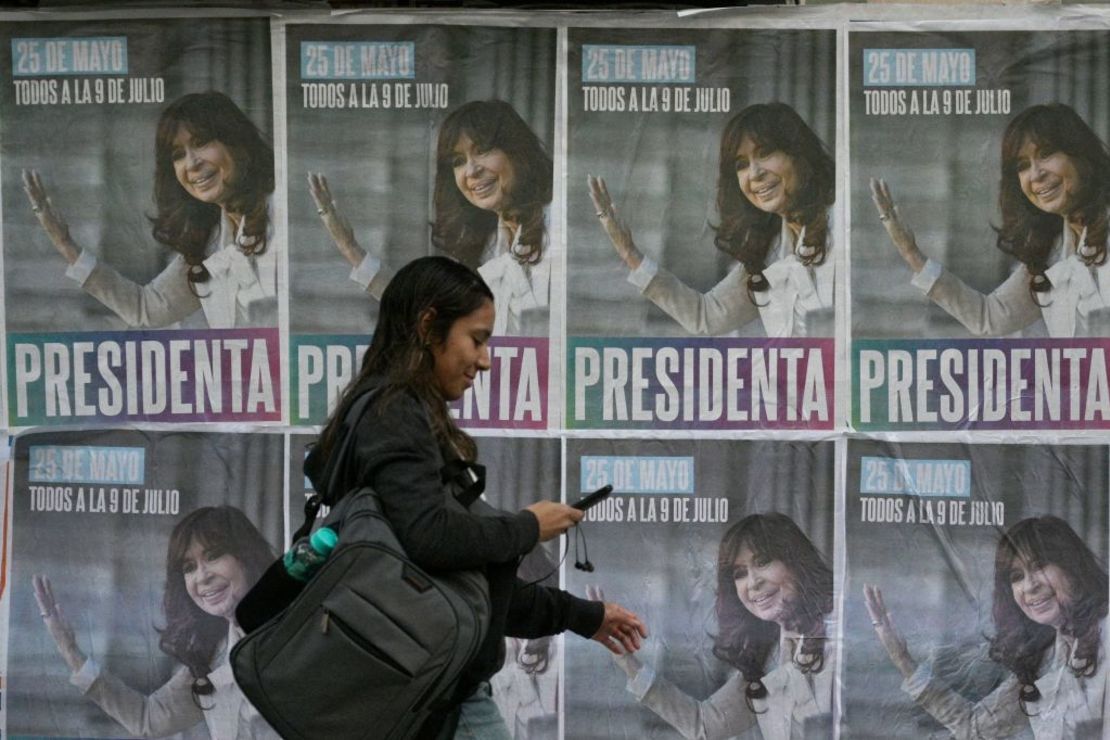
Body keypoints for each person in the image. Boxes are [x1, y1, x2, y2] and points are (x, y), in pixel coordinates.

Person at [303, 255, 647, 738]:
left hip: (420, 694)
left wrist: (583, 615)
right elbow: (431, 538)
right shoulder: (395, 412)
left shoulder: (389, 412)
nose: (484, 360)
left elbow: (470, 589)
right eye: (477, 339)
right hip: (435, 699)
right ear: (428, 326)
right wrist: (529, 526)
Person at [23, 90, 276, 329]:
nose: (192, 163)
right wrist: (67, 245)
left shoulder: (279, 212)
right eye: (178, 155)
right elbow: (146, 308)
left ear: (236, 142)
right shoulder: (207, 242)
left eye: (202, 142)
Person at [588, 102, 836, 338]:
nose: (755, 173)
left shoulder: (840, 226)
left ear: (799, 154)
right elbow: (706, 316)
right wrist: (630, 253)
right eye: (741, 164)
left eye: (766, 152)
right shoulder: (767, 250)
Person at [32, 506, 281, 739]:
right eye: (189, 567)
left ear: (246, 557)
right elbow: (148, 719)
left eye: (214, 555)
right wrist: (70, 651)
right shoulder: (210, 655)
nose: (202, 577)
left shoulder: (295, 628)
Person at [309, 99, 553, 336]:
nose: (471, 171)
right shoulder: (489, 248)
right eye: (458, 161)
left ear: (517, 151)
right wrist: (350, 249)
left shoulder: (557, 227)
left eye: (483, 150)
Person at [872, 103, 1110, 338]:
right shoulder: (1051, 252)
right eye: (1023, 166)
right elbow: (989, 317)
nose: (1036, 174)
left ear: (1081, 155)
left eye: (1046, 154)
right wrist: (911, 253)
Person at [865, 515, 1109, 738]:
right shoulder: (1045, 659)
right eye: (1016, 576)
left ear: (1072, 566)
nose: (1030, 585)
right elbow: (976, 729)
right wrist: (902, 659)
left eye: (1039, 566)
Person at [606, 513, 835, 740]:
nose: (753, 582)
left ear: (795, 560)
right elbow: (705, 725)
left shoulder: (837, 634)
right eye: (740, 573)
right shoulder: (765, 657)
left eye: (763, 562)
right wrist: (629, 663)